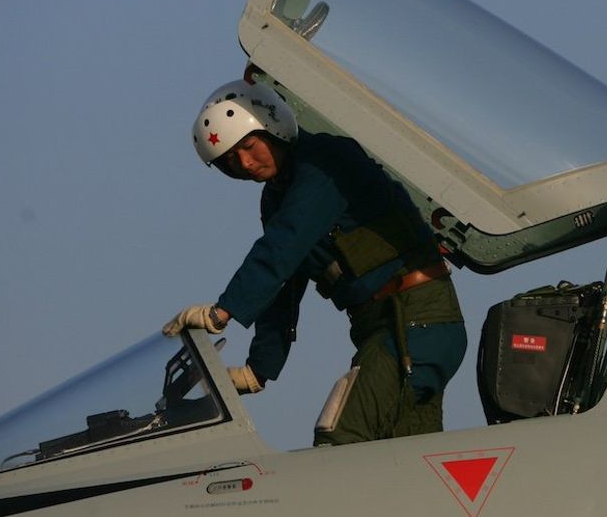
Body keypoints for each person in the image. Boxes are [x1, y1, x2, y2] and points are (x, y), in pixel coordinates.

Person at [163, 79, 466, 445]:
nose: (245, 163)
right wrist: (259, 369)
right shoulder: (277, 198)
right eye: (230, 160)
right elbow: (283, 284)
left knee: (340, 441)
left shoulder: (326, 162)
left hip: (416, 320)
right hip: (380, 328)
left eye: (248, 146)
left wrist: (222, 311)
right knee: (402, 456)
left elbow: (283, 245)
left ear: (272, 126)